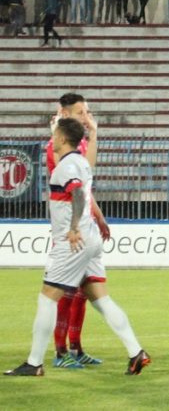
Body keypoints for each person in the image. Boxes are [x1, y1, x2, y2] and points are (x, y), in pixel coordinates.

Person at [4, 118, 150, 377]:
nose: (52, 140)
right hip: (90, 237)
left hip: (73, 241)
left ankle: (34, 363)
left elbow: (78, 194)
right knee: (100, 298)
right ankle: (136, 351)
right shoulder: (81, 162)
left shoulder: (66, 166)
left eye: (54, 135)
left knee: (47, 297)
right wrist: (98, 220)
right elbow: (85, 193)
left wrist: (73, 228)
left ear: (62, 138)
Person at [46, 93, 110, 369]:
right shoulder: (57, 147)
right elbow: (77, 188)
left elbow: (87, 184)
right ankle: (60, 352)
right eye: (81, 112)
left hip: (85, 225)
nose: (86, 117)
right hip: (70, 230)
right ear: (65, 113)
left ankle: (76, 347)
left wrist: (100, 216)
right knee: (66, 291)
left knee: (83, 291)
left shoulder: (78, 145)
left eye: (87, 112)